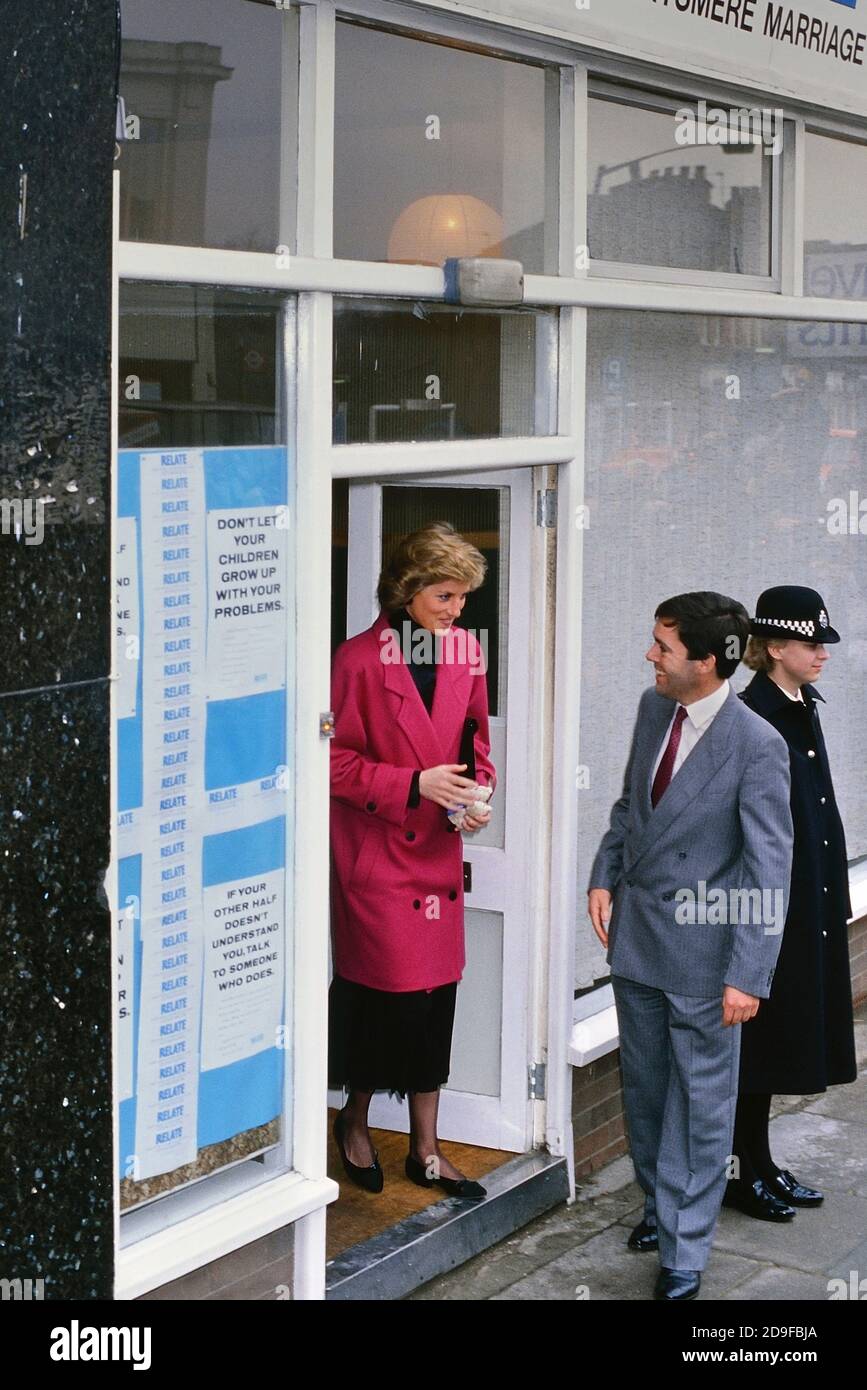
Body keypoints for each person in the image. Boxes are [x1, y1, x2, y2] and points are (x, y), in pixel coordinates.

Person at [588, 591, 793, 1301]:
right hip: (637, 942)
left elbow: (770, 867)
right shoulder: (653, 710)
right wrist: (604, 874)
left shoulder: (756, 745)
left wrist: (747, 975)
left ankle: (683, 1252)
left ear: (705, 664)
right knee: (645, 1092)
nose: (650, 654)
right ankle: (658, 1202)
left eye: (662, 646)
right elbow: (628, 807)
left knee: (701, 1106)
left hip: (707, 960)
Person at [328, 522, 496, 1200]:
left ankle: (426, 1149)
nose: (456, 611)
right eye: (444, 595)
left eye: (461, 598)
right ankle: (355, 1120)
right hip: (377, 860)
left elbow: (476, 744)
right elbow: (332, 763)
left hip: (437, 852)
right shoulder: (356, 661)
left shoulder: (465, 654)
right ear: (406, 590)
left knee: (434, 1004)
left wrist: (475, 797)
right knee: (382, 1001)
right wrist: (409, 785)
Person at [725, 586, 857, 1220]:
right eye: (810, 643)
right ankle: (740, 1171)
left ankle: (762, 1162)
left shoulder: (801, 704)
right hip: (771, 909)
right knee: (759, 1047)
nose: (822, 654)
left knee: (780, 1045)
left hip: (810, 901)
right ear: (774, 648)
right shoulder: (754, 717)